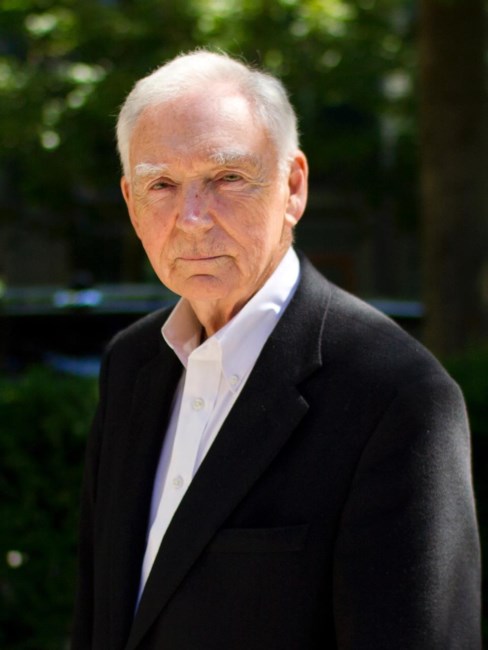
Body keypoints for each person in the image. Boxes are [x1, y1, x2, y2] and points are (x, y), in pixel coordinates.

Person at [72, 50, 481, 650]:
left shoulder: (396, 396)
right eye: (162, 185)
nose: (192, 218)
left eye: (227, 178)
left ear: (292, 187)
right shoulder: (131, 364)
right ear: (132, 204)